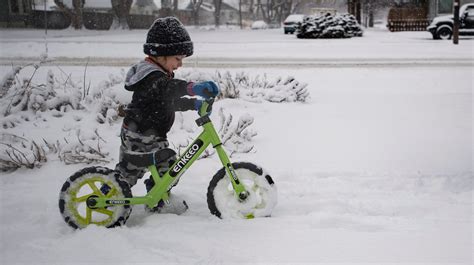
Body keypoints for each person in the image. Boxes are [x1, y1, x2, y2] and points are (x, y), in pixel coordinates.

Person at [115, 17, 219, 214]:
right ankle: (153, 199)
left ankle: (150, 195)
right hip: (142, 136)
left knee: (131, 172)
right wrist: (192, 87)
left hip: (144, 133)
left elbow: (165, 102)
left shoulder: (155, 75)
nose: (179, 65)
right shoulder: (152, 78)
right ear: (162, 55)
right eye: (177, 59)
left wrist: (194, 104)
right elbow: (167, 89)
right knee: (167, 168)